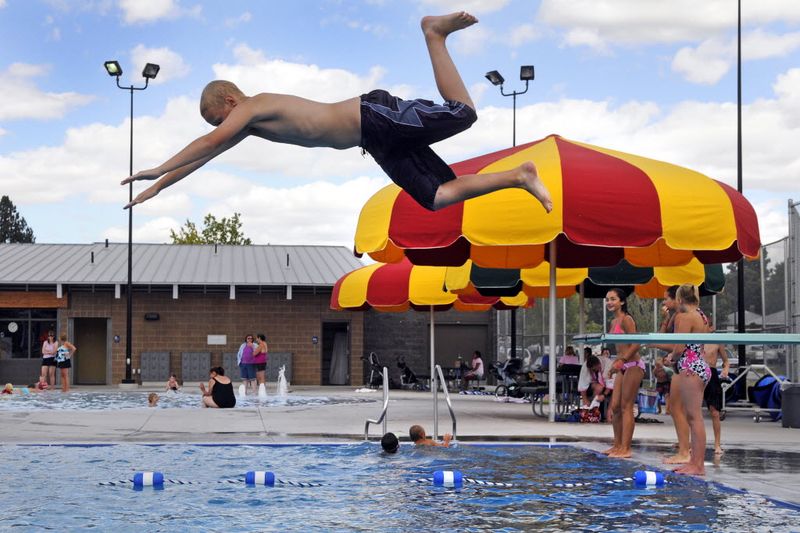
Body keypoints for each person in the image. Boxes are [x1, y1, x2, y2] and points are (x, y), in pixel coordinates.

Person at [121, 12, 553, 215]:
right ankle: (520, 176)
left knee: (463, 113)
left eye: (220, 119)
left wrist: (158, 164)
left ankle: (434, 34)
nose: (223, 129)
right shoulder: (249, 126)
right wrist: (158, 186)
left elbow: (208, 141)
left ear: (229, 102)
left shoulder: (251, 106)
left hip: (374, 115)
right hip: (374, 140)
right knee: (436, 197)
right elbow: (205, 155)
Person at [664, 283, 711, 476]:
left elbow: (679, 347)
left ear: (680, 299)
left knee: (694, 417)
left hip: (690, 368)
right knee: (694, 417)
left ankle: (697, 465)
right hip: (700, 365)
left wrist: (670, 359)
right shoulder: (701, 315)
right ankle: (695, 462)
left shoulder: (684, 316)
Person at [602, 288, 642, 459]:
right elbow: (619, 348)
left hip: (633, 365)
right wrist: (613, 366)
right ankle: (617, 445)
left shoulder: (627, 319)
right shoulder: (613, 322)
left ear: (622, 302)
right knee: (615, 407)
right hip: (622, 365)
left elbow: (636, 344)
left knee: (626, 407)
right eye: (607, 299)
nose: (609, 302)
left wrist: (623, 360)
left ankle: (626, 448)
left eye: (613, 299)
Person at [703, 327, 729, 457]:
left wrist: (725, 369)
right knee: (692, 411)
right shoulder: (695, 339)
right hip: (697, 372)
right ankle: (691, 444)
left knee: (714, 411)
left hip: (711, 373)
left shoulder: (716, 341)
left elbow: (726, 361)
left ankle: (717, 444)